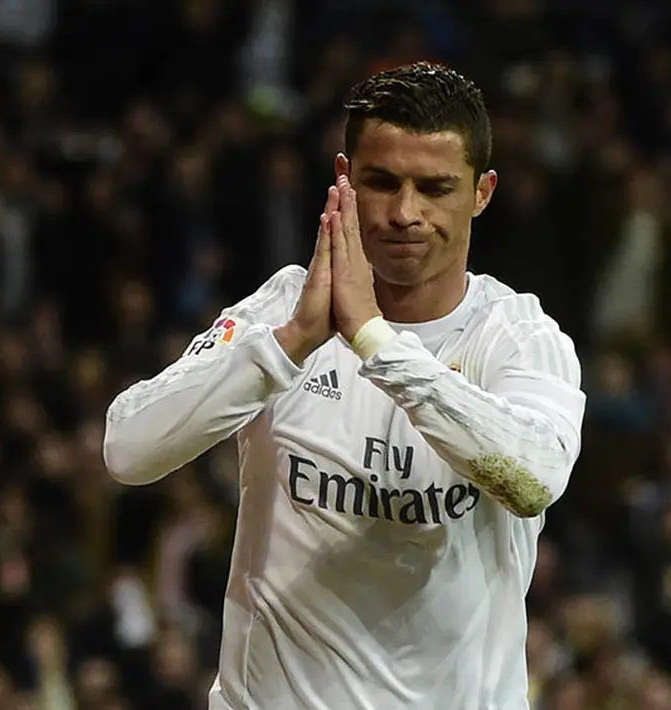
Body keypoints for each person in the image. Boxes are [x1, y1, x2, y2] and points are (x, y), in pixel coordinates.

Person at [103, 62, 585, 709]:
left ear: (481, 192)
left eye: (434, 188)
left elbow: (534, 480)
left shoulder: (518, 338)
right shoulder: (280, 311)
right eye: (380, 183)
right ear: (344, 180)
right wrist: (292, 342)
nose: (404, 213)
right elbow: (127, 449)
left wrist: (374, 342)